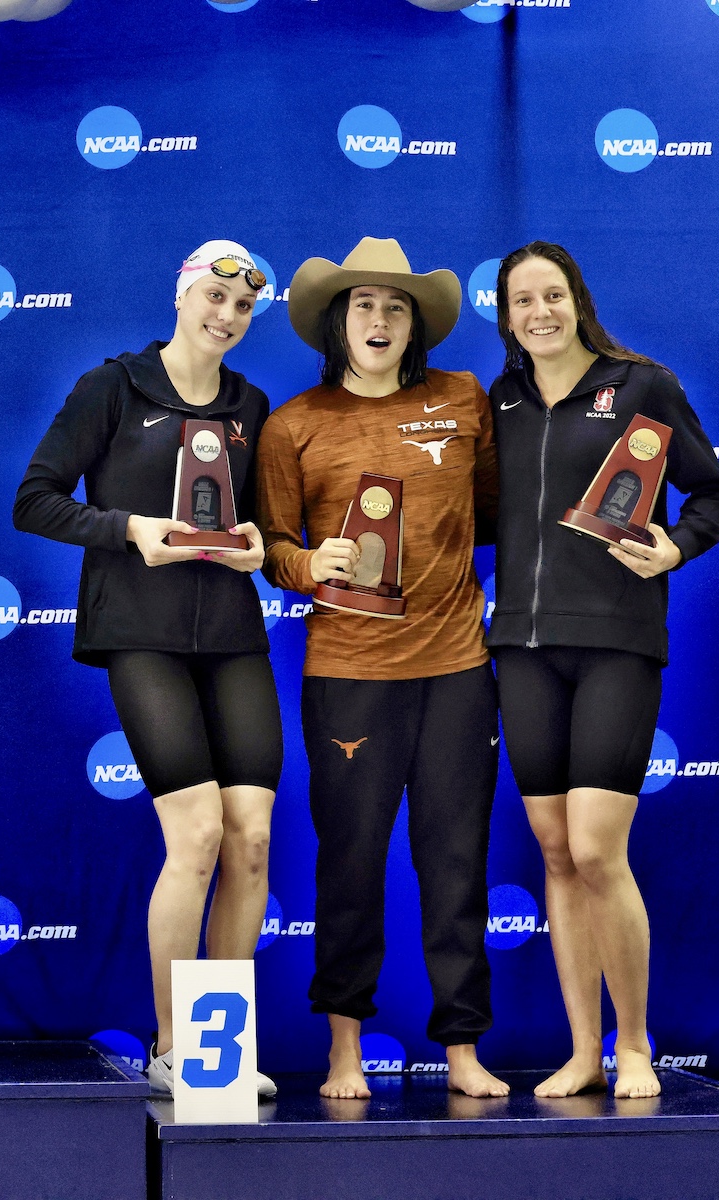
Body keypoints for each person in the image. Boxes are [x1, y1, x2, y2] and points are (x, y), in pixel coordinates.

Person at [15, 241, 283, 1098]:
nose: (227, 317)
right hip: (141, 634)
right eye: (214, 297)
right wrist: (130, 530)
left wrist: (257, 547)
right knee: (197, 837)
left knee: (252, 841)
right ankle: (177, 1049)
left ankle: (223, 1054)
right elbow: (36, 498)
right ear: (182, 295)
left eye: (243, 308)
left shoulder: (252, 404)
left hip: (233, 637)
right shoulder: (115, 386)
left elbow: (265, 532)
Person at [255, 237, 507, 1100]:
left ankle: (464, 1048)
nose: (379, 319)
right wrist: (304, 566)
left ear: (416, 325)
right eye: (363, 304)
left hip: (459, 669)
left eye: (396, 307)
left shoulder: (464, 400)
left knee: (455, 862)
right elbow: (275, 547)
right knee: (352, 865)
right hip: (349, 672)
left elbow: (498, 513)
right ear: (337, 320)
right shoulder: (293, 423)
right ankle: (343, 1050)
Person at [488, 242, 719, 1100]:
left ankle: (635, 1046)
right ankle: (583, 1050)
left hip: (618, 644)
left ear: (577, 300)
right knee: (556, 853)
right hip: (518, 648)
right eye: (522, 301)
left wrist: (677, 545)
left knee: (597, 848)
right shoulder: (503, 400)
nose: (539, 312)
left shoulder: (643, 386)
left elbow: (713, 493)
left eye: (551, 295)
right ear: (507, 317)